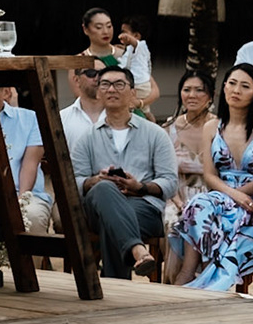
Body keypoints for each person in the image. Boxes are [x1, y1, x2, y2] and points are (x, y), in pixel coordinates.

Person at [175, 63, 253, 291]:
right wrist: (233, 194)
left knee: (242, 220)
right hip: (223, 192)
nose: (236, 90)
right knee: (196, 206)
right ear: (223, 88)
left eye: (245, 86)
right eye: (232, 84)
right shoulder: (212, 127)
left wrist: (241, 196)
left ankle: (217, 280)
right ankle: (188, 272)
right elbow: (210, 175)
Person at [69, 68, 177, 280]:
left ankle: (114, 289)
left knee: (112, 221)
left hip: (143, 206)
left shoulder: (155, 134)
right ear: (98, 93)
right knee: (104, 188)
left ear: (133, 93)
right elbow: (75, 181)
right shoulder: (86, 138)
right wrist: (96, 181)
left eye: (119, 84)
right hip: (98, 205)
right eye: (105, 84)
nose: (111, 89)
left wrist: (140, 187)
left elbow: (170, 182)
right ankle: (137, 250)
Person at [164, 71, 217, 266]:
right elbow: (163, 172)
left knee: (210, 223)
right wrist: (178, 202)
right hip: (176, 195)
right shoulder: (169, 128)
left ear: (210, 96)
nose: (192, 95)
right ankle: (176, 285)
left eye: (199, 90)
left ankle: (208, 284)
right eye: (187, 90)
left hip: (212, 195)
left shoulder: (222, 127)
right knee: (173, 222)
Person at [0, 86, 52, 234]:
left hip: (24, 193)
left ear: (6, 92)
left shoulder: (29, 118)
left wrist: (21, 200)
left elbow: (30, 164)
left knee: (31, 215)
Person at [116, 16, 158, 116]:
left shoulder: (141, 46)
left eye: (124, 32)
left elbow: (135, 44)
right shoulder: (129, 49)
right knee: (146, 112)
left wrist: (129, 39)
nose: (121, 35)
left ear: (136, 35)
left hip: (139, 85)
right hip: (140, 84)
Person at [58, 64, 103, 151]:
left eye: (102, 73)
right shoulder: (62, 118)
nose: (97, 78)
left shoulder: (121, 116)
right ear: (77, 80)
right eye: (91, 73)